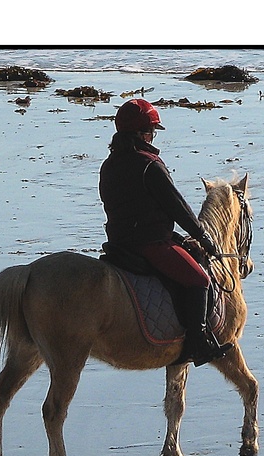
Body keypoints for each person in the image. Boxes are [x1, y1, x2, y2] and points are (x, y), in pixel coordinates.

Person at [99, 98, 233, 366]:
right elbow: (177, 207)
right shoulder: (149, 164)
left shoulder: (109, 164)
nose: (152, 136)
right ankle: (198, 342)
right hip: (149, 244)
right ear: (140, 133)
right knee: (199, 280)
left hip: (119, 242)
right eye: (151, 131)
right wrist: (203, 237)